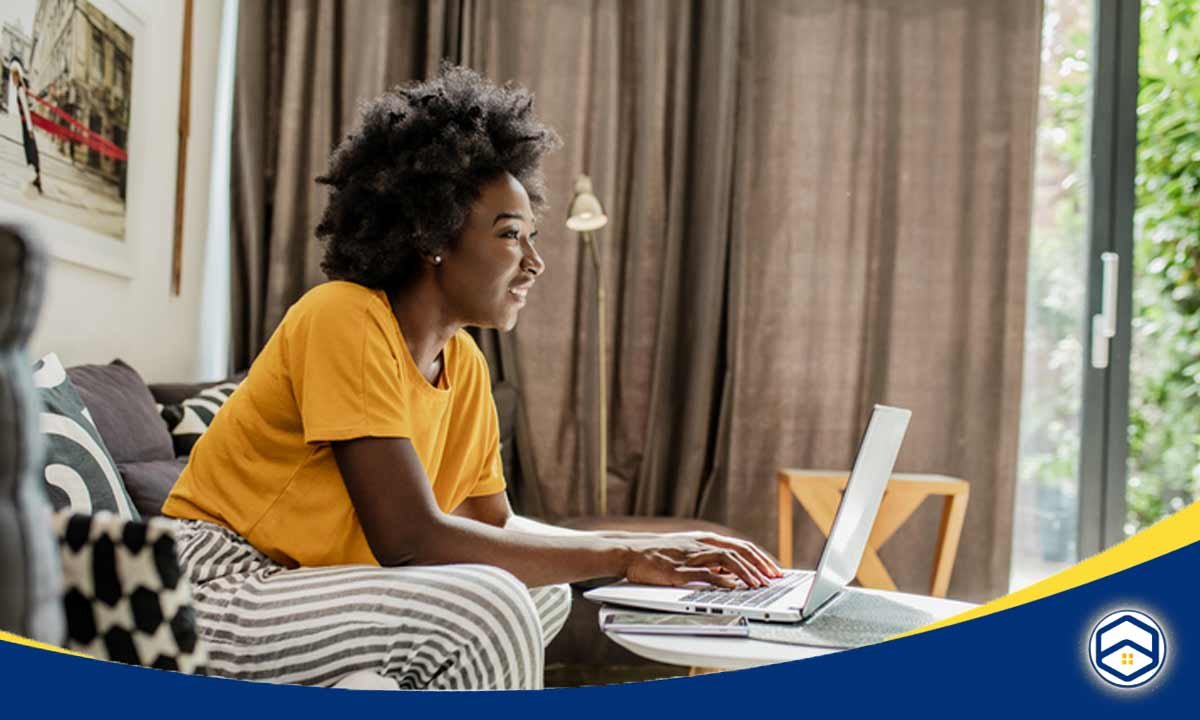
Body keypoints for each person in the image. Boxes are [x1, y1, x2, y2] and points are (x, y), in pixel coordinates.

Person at [162, 63, 781, 690]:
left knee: (543, 594)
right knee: (490, 606)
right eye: (511, 235)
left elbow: (491, 528)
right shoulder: (342, 316)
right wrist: (621, 555)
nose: (535, 262)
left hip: (305, 586)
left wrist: (653, 548)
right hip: (213, 586)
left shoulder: (465, 366)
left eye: (532, 237)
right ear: (433, 234)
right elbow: (407, 538)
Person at [9, 59, 43, 195]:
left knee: (31, 150)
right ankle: (36, 177)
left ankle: (37, 178)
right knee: (30, 150)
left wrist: (29, 129)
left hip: (26, 126)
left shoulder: (21, 90)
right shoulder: (21, 89)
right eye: (12, 75)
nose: (13, 78)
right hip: (25, 125)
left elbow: (26, 110)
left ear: (19, 75)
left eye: (15, 75)